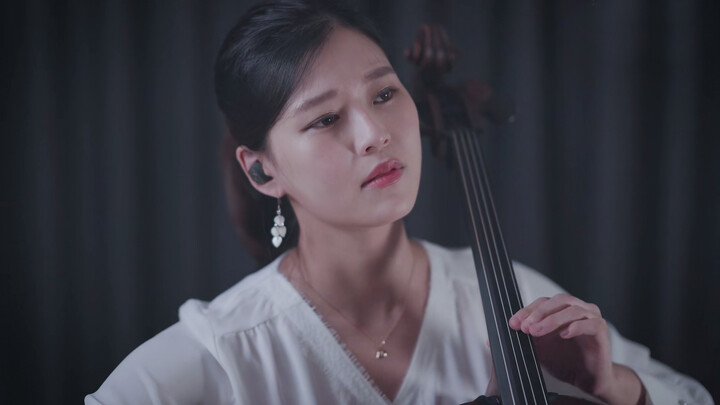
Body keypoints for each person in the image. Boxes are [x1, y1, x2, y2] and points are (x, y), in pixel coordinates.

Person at [86, 1, 713, 404]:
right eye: (325, 119)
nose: (373, 134)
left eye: (384, 94)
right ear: (261, 170)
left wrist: (614, 387)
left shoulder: (511, 301)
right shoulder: (222, 355)